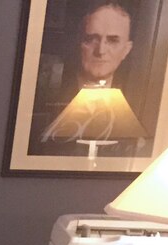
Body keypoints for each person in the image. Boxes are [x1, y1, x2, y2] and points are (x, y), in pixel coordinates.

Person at [30, 2, 139, 155]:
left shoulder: (135, 106)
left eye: (113, 40)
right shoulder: (45, 97)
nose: (101, 51)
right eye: (92, 39)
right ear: (79, 42)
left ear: (126, 49)